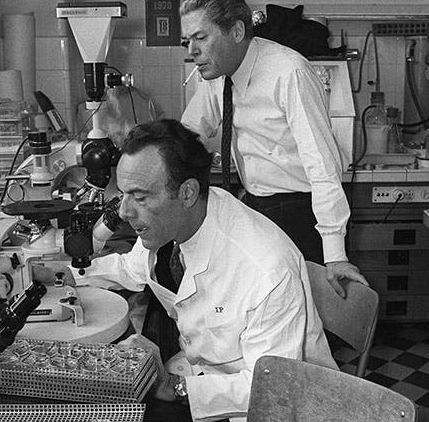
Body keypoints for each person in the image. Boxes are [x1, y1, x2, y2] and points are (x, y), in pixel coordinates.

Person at [83, 119, 337, 422]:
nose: (124, 212)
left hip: (268, 406)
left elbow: (272, 386)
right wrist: (64, 275)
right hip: (204, 375)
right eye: (123, 194)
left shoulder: (265, 268)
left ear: (188, 193)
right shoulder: (170, 225)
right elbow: (129, 269)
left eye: (139, 197)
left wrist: (173, 386)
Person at [179, 0, 367, 297]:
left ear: (237, 31)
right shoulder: (218, 75)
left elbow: (322, 165)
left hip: (301, 215)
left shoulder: (288, 71)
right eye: (188, 41)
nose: (191, 51)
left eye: (201, 38)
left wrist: (334, 254)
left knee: (304, 323)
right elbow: (187, 135)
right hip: (255, 208)